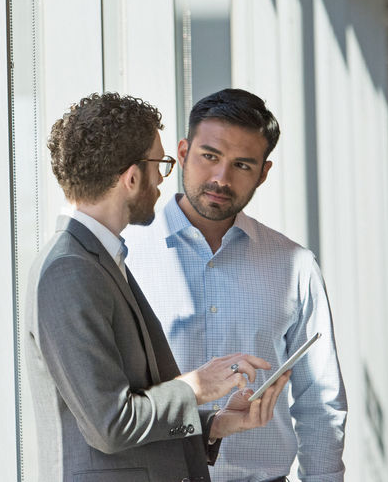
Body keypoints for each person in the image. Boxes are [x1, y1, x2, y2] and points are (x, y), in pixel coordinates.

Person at [26, 91, 290, 482]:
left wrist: (214, 424)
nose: (163, 180)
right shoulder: (70, 269)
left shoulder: (100, 258)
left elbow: (131, 411)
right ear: (132, 178)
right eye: (160, 164)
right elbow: (110, 424)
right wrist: (197, 386)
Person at [124, 88, 347, 482]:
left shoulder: (294, 266)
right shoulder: (127, 257)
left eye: (242, 165)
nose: (220, 178)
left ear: (263, 172)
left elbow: (320, 402)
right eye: (209, 156)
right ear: (183, 152)